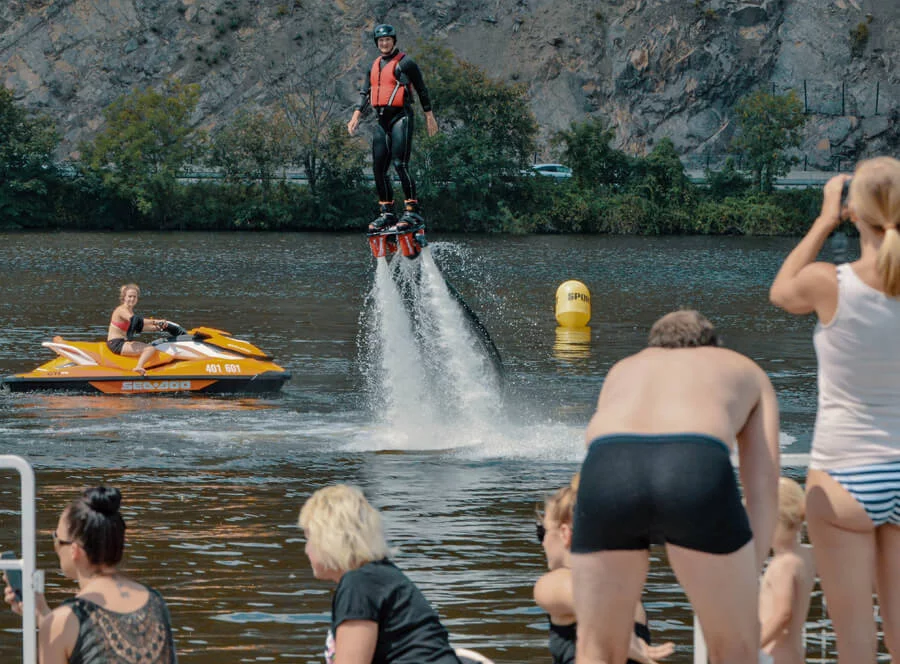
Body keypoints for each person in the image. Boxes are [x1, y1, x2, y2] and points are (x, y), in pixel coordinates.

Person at [570, 309, 780, 664]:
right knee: (735, 649)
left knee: (596, 648)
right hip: (693, 464)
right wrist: (748, 569)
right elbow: (763, 486)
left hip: (610, 469)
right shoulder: (742, 367)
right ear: (713, 345)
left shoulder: (624, 368)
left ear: (654, 346)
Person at [769, 158, 900, 663]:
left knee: (855, 644)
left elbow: (781, 291)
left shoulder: (830, 283)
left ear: (854, 212)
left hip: (846, 477)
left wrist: (824, 220)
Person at [298, 484, 490, 664]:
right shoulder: (380, 576)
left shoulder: (358, 585)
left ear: (329, 539)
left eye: (309, 538)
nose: (306, 549)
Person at [3, 486, 176, 664]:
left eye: (56, 538)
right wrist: (42, 614)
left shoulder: (64, 621)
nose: (55, 545)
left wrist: (49, 624)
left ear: (74, 550)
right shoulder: (155, 602)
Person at [533, 475, 675, 664]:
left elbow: (578, 592)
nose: (542, 543)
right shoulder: (630, 600)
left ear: (565, 534)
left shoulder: (555, 581)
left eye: (542, 532)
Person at [347, 24, 440, 233]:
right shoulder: (374, 66)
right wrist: (355, 116)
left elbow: (422, 89)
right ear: (377, 43)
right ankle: (387, 213)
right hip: (382, 121)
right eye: (380, 40)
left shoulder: (406, 63)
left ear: (394, 41)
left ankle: (412, 211)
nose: (384, 43)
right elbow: (365, 93)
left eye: (388, 39)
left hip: (401, 117)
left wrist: (429, 115)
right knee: (378, 168)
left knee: (400, 163)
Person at [758, 477, 816, 664]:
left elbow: (783, 614)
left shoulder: (783, 565)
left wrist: (751, 647)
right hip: (793, 654)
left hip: (774, 656)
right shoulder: (806, 556)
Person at [107, 283, 170, 376]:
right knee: (149, 349)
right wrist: (156, 321)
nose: (132, 299)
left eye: (134, 297)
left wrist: (159, 328)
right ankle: (138, 367)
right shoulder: (121, 310)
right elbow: (135, 320)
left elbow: (139, 326)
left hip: (122, 342)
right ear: (124, 297)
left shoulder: (129, 311)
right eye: (130, 296)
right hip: (116, 344)